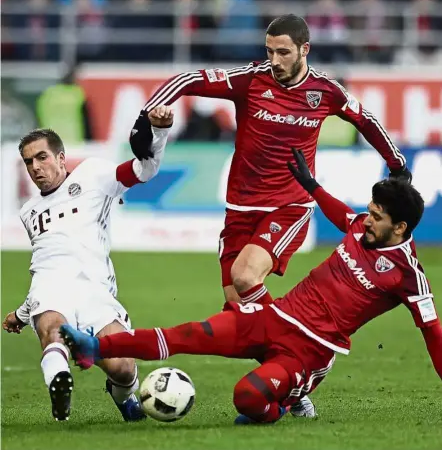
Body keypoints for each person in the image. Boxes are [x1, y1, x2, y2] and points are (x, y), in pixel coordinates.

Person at [59, 148, 441, 425]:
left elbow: (433, 332)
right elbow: (341, 212)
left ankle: (279, 408)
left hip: (309, 352)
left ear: (400, 228)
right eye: (370, 212)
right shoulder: (361, 227)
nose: (367, 220)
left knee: (247, 397)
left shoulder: (409, 276)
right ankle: (96, 347)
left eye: (377, 216)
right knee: (190, 333)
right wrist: (311, 185)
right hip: (274, 316)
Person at [129, 14, 412, 308]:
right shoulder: (250, 80)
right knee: (238, 305)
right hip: (240, 207)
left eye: (284, 52)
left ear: (305, 49)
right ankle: (285, 347)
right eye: (269, 51)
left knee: (245, 276)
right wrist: (144, 117)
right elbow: (187, 80)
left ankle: (296, 337)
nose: (275, 60)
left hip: (289, 205)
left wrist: (397, 165)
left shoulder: (325, 91)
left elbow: (365, 120)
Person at [2, 105, 173, 422]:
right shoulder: (29, 212)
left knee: (123, 368)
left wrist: (160, 133)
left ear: (61, 158)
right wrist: (27, 313)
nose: (36, 167)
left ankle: (122, 395)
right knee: (53, 329)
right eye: (28, 162)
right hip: (51, 287)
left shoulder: (94, 175)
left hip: (95, 290)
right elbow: (46, 261)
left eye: (42, 157)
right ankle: (59, 388)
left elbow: (144, 170)